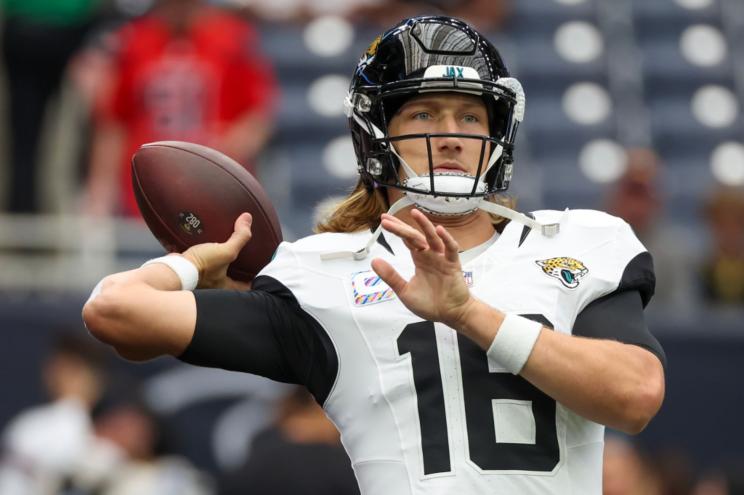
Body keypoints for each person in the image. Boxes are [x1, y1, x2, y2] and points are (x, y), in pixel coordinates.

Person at [83, 16, 666, 494]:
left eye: (470, 114)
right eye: (424, 113)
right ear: (376, 135)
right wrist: (197, 263)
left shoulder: (577, 242)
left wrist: (468, 313)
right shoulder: (325, 274)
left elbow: (635, 396)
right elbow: (115, 310)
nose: (453, 134)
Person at [83, 0, 277, 217]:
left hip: (213, 190)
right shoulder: (135, 41)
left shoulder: (233, 38)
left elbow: (257, 117)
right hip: (148, 190)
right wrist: (100, 190)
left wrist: (216, 159)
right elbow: (113, 123)